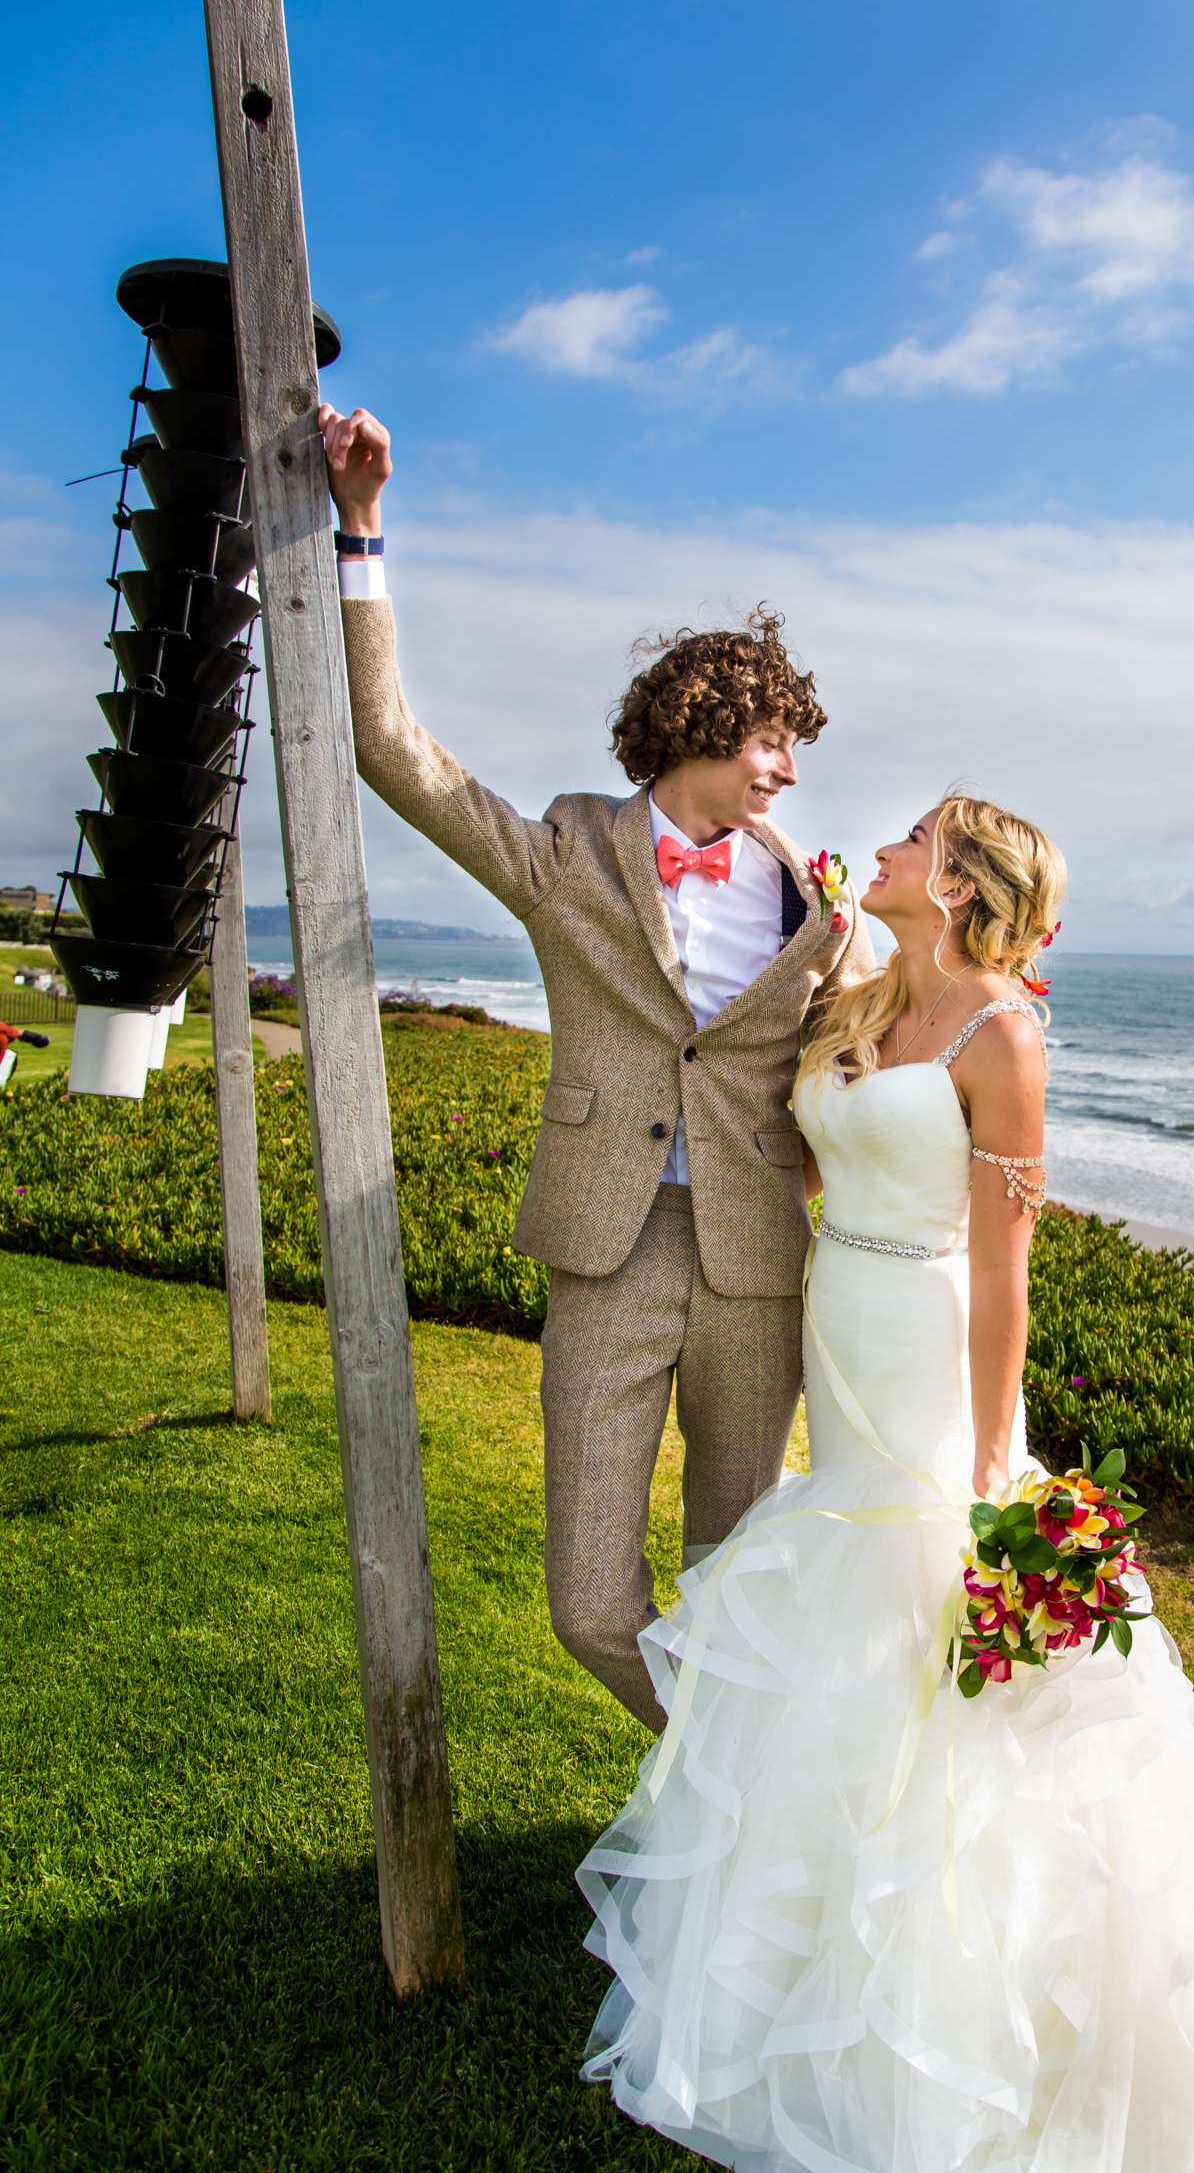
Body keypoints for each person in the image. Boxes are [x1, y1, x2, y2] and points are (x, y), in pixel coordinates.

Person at [575, 792, 1194, 2172]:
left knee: (915, 1625)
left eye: (909, 839)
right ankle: (808, 1934)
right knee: (851, 1629)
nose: (878, 847)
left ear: (958, 882)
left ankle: (948, 1977)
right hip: (844, 1323)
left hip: (931, 1354)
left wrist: (998, 1459)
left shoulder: (1006, 1033)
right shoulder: (865, 995)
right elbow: (817, 1147)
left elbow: (1009, 1269)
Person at [319, 404, 873, 1728]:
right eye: (773, 740)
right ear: (705, 721)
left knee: (732, 1580)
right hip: (607, 1256)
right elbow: (392, 748)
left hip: (758, 1265)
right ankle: (732, 1776)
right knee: (588, 1603)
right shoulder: (567, 851)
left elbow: (864, 1061)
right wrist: (361, 531)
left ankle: (725, 1838)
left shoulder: (818, 900)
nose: (791, 771)